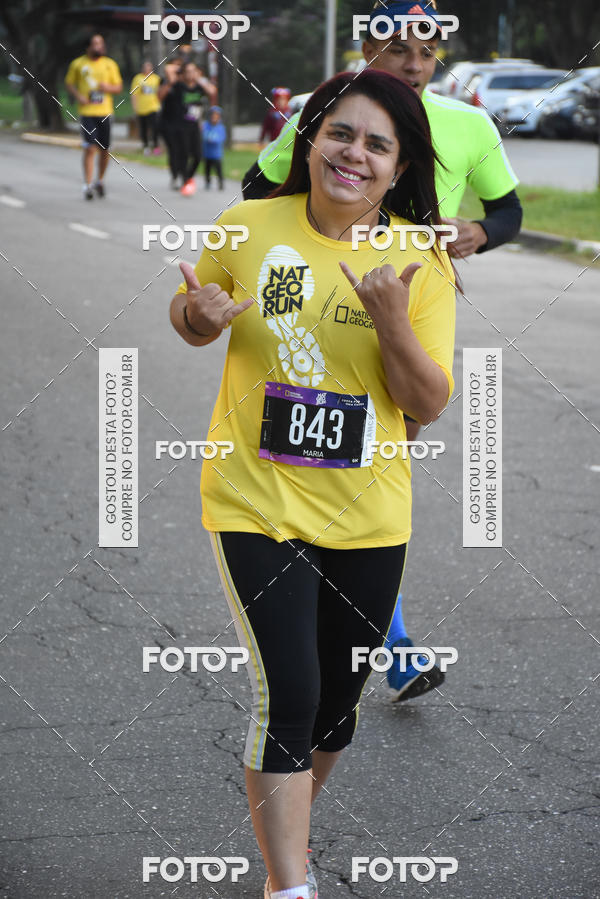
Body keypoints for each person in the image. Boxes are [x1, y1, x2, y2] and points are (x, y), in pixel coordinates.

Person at [170, 69, 456, 899]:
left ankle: (284, 818)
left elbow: (427, 403)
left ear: (399, 168)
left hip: (370, 512)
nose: (354, 154)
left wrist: (394, 323)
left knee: (336, 706)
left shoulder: (420, 257)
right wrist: (196, 318)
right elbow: (191, 314)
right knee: (289, 693)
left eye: (377, 145)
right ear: (310, 139)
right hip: (255, 501)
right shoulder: (248, 225)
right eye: (340, 133)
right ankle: (288, 883)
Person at [242, 0, 523, 702]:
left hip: (405, 314)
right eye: (399, 47)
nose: (415, 63)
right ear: (368, 48)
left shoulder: (469, 124)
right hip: (319, 311)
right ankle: (376, 644)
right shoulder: (333, 113)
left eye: (428, 51)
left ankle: (358, 635)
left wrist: (478, 233)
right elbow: (258, 189)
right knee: (333, 470)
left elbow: (509, 212)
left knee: (372, 470)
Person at [65, 34, 122, 200]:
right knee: (90, 148)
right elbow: (69, 83)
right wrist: (78, 96)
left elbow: (118, 87)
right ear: (88, 47)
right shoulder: (78, 64)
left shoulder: (109, 64)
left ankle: (100, 180)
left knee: (104, 149)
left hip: (105, 112)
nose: (99, 47)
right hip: (87, 113)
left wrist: (107, 87)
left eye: (101, 44)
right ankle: (87, 184)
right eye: (96, 44)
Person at [159, 61, 217, 196]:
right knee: (183, 154)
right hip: (180, 126)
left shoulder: (199, 87)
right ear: (183, 74)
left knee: (198, 155)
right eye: (188, 71)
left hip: (194, 125)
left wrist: (199, 79)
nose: (191, 74)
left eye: (193, 71)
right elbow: (167, 73)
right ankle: (184, 180)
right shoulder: (179, 86)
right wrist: (176, 73)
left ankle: (188, 177)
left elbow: (212, 92)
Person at [131, 60, 161, 155]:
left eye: (149, 67)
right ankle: (146, 146)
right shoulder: (138, 78)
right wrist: (135, 107)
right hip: (142, 108)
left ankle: (156, 146)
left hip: (153, 107)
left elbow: (160, 92)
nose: (147, 69)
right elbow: (134, 94)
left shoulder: (156, 79)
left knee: (155, 127)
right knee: (143, 129)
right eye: (145, 67)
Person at [202, 106, 226, 189]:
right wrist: (207, 138)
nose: (214, 117)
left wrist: (214, 139)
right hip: (207, 153)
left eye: (216, 116)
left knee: (218, 170)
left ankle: (221, 182)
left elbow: (221, 138)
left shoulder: (220, 127)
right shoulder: (206, 125)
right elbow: (203, 135)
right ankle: (207, 182)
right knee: (207, 169)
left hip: (216, 154)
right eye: (213, 115)